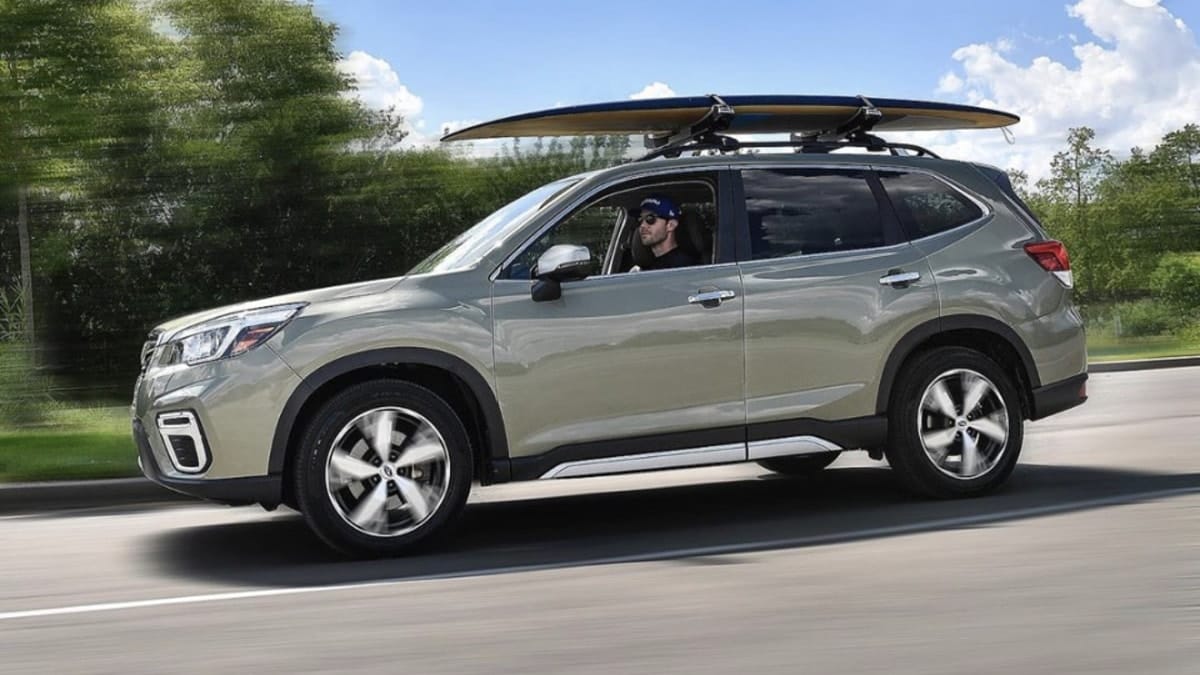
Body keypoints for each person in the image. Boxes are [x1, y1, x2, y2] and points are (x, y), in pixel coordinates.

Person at [635, 195, 698, 270]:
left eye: (650, 218)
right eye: (640, 220)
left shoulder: (684, 267)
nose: (642, 225)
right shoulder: (644, 267)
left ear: (671, 225)